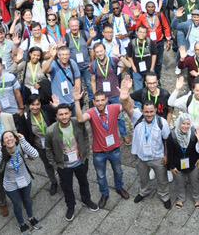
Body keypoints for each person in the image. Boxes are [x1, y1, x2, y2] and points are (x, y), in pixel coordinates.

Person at [75, 78, 135, 208]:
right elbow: (80, 119)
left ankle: (119, 188)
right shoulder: (91, 112)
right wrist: (76, 101)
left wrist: (126, 96)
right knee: (101, 176)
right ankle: (104, 194)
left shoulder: (114, 108)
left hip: (115, 149)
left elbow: (130, 107)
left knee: (118, 171)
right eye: (97, 101)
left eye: (103, 100)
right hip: (99, 152)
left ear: (106, 100)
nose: (100, 103)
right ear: (93, 102)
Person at [44, 103, 99, 221]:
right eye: (61, 114)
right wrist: (55, 165)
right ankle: (71, 206)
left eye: (66, 113)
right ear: (56, 116)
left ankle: (86, 200)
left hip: (80, 162)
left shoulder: (78, 123)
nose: (64, 116)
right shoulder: (50, 131)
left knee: (84, 182)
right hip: (64, 166)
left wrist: (86, 154)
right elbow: (48, 150)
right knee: (67, 187)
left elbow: (86, 137)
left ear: (70, 113)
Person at [0, 130, 41, 233]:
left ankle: (31, 217)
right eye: (6, 138)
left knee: (27, 200)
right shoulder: (1, 152)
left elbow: (35, 155)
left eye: (11, 136)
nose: (9, 139)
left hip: (25, 181)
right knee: (17, 204)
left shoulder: (21, 148)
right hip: (10, 185)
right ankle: (21, 223)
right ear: (3, 143)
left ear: (15, 139)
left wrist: (23, 140)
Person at [129, 100, 172, 209]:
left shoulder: (161, 122)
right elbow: (127, 106)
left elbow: (167, 140)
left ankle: (165, 196)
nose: (149, 114)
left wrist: (166, 155)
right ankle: (144, 192)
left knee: (162, 179)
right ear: (142, 111)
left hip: (157, 157)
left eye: (151, 111)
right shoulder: (137, 121)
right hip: (141, 157)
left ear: (156, 111)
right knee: (143, 178)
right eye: (146, 112)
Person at [166, 114, 199, 209]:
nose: (185, 126)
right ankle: (181, 198)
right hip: (177, 164)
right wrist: (171, 166)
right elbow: (170, 152)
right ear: (179, 123)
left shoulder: (194, 133)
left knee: (195, 181)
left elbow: (198, 148)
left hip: (193, 163)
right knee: (179, 182)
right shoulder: (172, 135)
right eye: (183, 123)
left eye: (188, 124)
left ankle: (197, 198)